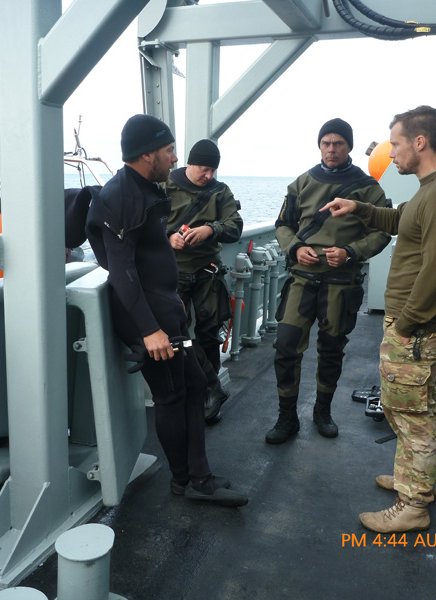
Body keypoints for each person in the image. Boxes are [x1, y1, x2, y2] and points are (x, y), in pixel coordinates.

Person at [85, 114, 248, 508]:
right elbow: (122, 273)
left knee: (194, 386)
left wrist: (172, 304)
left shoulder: (146, 189)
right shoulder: (123, 196)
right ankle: (186, 481)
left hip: (166, 308)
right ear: (147, 154)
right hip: (149, 319)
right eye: (169, 150)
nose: (175, 158)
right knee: (172, 396)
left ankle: (199, 474)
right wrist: (149, 331)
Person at [321, 106, 436, 533]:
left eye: (397, 144)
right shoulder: (431, 190)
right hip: (415, 324)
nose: (393, 152)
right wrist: (358, 208)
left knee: (412, 413)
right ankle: (413, 478)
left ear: (420, 143)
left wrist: (404, 325)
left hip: (417, 326)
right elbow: (400, 221)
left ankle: (414, 505)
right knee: (407, 406)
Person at [266, 118, 391, 444]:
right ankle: (287, 417)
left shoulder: (369, 189)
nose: (331, 149)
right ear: (319, 145)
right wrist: (296, 247)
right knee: (285, 346)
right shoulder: (302, 183)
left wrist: (351, 252)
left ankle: (322, 411)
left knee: (332, 349)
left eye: (338, 143)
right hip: (302, 280)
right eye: (326, 143)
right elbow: (283, 224)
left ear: (349, 146)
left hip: (341, 283)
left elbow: (382, 233)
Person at [164, 139, 243, 423]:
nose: (208, 175)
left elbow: (235, 227)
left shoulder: (220, 192)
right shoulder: (166, 186)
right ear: (190, 162)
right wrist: (168, 235)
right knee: (176, 332)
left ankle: (206, 398)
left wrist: (210, 229)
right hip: (172, 272)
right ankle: (210, 386)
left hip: (208, 271)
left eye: (212, 170)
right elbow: (148, 222)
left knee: (209, 333)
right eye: (204, 168)